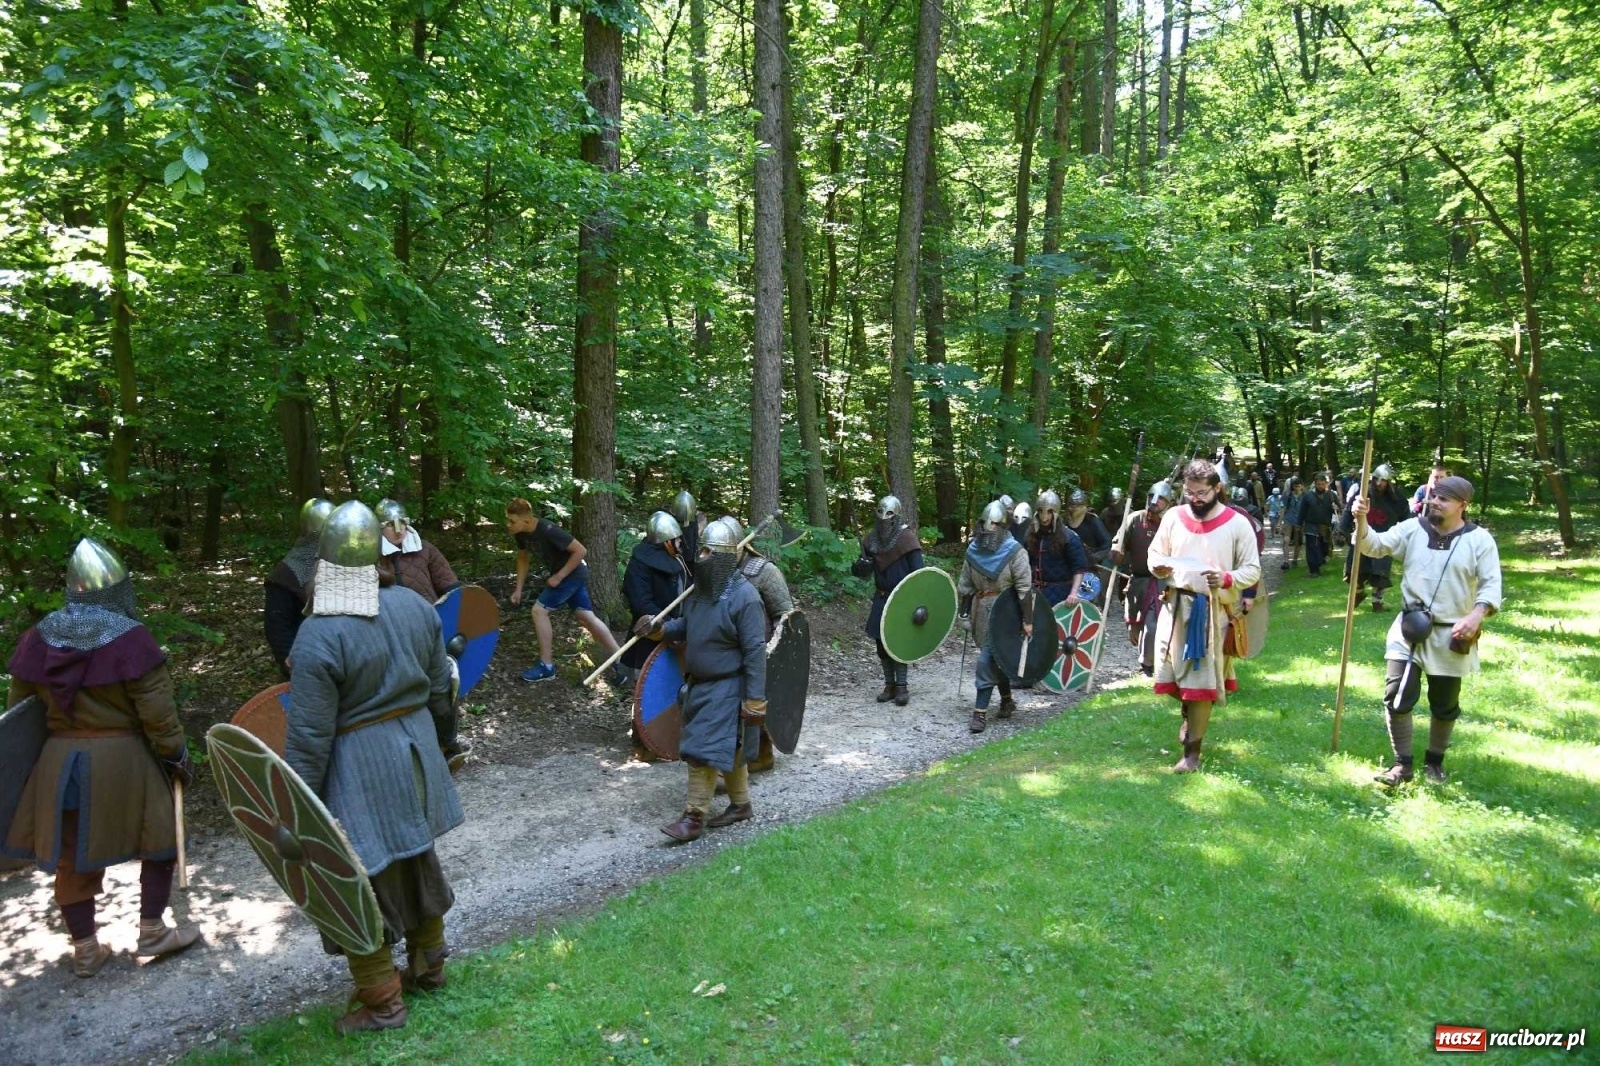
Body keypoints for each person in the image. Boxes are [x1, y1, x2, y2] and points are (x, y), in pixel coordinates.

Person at [285, 501, 465, 1033]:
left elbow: (311, 735)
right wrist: (437, 746)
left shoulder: (320, 633)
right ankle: (430, 964)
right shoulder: (413, 605)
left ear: (325, 563)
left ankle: (383, 1000)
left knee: (356, 881)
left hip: (356, 767)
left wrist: (297, 802)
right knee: (415, 858)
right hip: (415, 750)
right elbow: (441, 690)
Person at [4, 539, 200, 977]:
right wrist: (177, 757)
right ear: (119, 591)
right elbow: (158, 714)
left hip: (60, 761)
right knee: (159, 836)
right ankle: (152, 931)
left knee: (72, 854)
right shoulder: (130, 639)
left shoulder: (40, 636)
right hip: (123, 758)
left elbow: (22, 714)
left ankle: (86, 949)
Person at [1350, 477, 1501, 786]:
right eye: (1434, 497)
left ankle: (1434, 764)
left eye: (1443, 499)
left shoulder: (1480, 540)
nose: (1434, 502)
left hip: (1452, 635)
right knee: (1396, 695)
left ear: (1462, 505)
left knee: (1445, 705)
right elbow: (1373, 545)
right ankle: (1402, 766)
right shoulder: (1413, 529)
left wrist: (1476, 614)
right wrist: (1361, 519)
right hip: (1409, 628)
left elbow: (1491, 584)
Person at [650, 519, 767, 841]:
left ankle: (693, 817)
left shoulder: (746, 599)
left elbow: (755, 652)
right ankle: (741, 805)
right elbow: (687, 626)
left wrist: (755, 699)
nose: (699, 556)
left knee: (702, 748)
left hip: (728, 686)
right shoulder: (700, 592)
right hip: (699, 684)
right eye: (699, 549)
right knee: (727, 748)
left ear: (724, 556)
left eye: (707, 551)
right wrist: (660, 629)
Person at [1148, 460, 1262, 772]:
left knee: (1201, 682)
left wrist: (1226, 578)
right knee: (1166, 677)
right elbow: (1155, 553)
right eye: (1189, 493)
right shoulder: (1172, 517)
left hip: (1211, 612)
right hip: (1174, 608)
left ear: (1217, 489)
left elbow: (1252, 569)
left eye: (1201, 493)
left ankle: (1192, 754)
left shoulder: (1238, 524)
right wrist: (1157, 566)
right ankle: (1190, 712)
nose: (1195, 499)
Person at [506, 498, 623, 684]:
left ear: (526, 520)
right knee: (586, 617)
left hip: (573, 573)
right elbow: (522, 558)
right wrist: (518, 589)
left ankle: (547, 666)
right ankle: (620, 660)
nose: (508, 525)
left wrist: (559, 577)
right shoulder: (521, 533)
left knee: (539, 611)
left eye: (512, 521)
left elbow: (580, 551)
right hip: (568, 575)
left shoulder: (547, 530)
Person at [725, 514, 795, 775]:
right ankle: (737, 758)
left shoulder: (764, 572)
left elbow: (786, 615)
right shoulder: (718, 572)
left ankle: (760, 754)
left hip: (759, 648)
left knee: (754, 703)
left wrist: (772, 649)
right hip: (728, 649)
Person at [958, 501, 1033, 734]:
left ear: (1001, 526)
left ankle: (979, 713)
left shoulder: (1015, 552)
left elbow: (1024, 589)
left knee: (985, 660)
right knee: (995, 658)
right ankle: (1007, 699)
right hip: (982, 610)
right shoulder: (973, 551)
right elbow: (966, 586)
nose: (987, 527)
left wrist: (1027, 620)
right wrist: (963, 613)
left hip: (1006, 611)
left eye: (992, 524)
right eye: (984, 523)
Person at [851, 495, 925, 706]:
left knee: (898, 641)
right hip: (882, 596)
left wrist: (916, 599)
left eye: (890, 513)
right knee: (880, 642)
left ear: (897, 514)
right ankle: (889, 685)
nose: (884, 517)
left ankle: (902, 686)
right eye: (881, 512)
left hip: (902, 597)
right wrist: (862, 565)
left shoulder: (907, 539)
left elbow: (919, 573)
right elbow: (861, 573)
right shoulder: (871, 540)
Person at [264, 497, 334, 678]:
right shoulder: (286, 575)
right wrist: (291, 661)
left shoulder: (339, 564)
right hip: (305, 660)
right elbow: (278, 627)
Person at [1110, 481, 1173, 677]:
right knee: (1136, 630)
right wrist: (1116, 552)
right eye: (1152, 497)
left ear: (1168, 503)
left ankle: (1148, 665)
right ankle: (1147, 659)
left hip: (1161, 583)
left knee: (1153, 625)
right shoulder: (1134, 519)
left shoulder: (1171, 524)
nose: (1155, 502)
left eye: (1161, 498)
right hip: (1137, 583)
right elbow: (1118, 546)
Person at [621, 510, 691, 684]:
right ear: (666, 541)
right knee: (649, 681)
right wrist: (665, 625)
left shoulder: (675, 558)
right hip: (652, 629)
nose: (680, 541)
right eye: (676, 539)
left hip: (676, 627)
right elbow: (640, 602)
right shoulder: (641, 562)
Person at [1341, 465, 1409, 612]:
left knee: (1380, 574)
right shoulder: (1363, 493)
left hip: (1385, 538)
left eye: (1383, 480)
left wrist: (1407, 535)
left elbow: (1406, 519)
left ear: (1389, 481)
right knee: (1353, 571)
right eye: (1377, 479)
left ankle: (1377, 601)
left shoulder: (1397, 498)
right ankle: (1359, 593)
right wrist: (1341, 530)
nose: (1379, 483)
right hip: (1362, 536)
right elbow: (1348, 511)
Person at [375, 499, 460, 605]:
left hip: (429, 615)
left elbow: (450, 588)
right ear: (380, 527)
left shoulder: (425, 549)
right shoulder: (372, 556)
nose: (398, 530)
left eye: (402, 522)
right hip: (393, 618)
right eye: (391, 525)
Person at [1028, 490, 1090, 607]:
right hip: (1035, 593)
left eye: (1049, 512)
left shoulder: (1069, 537)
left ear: (1055, 513)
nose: (1044, 517)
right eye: (1041, 511)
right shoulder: (1032, 535)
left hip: (1061, 594)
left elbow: (1079, 568)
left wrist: (1074, 593)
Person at [1063, 489, 1112, 574]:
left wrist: (1093, 558)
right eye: (1071, 505)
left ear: (1084, 507)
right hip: (1067, 567)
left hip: (1088, 571)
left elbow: (1107, 544)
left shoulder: (1092, 521)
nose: (1073, 508)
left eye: (1076, 506)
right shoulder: (1064, 522)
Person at [1298, 472, 1337, 576]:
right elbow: (1302, 511)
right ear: (1315, 484)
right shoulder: (1308, 496)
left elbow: (1338, 509)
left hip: (1325, 526)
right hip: (1311, 525)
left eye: (1323, 484)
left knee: (1323, 548)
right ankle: (1314, 570)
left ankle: (1319, 562)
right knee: (1312, 547)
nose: (1321, 486)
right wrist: (1299, 524)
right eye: (1319, 484)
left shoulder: (1331, 495)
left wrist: (1336, 507)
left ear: (1326, 484)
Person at [1282, 478, 1305, 569]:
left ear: (1302, 486)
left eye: (1299, 486)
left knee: (1297, 542)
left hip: (1299, 521)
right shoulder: (1288, 496)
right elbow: (1283, 508)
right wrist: (1280, 522)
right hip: (1288, 520)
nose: (1297, 488)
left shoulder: (1305, 497)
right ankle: (1286, 561)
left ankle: (1295, 560)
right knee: (1286, 540)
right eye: (1295, 486)